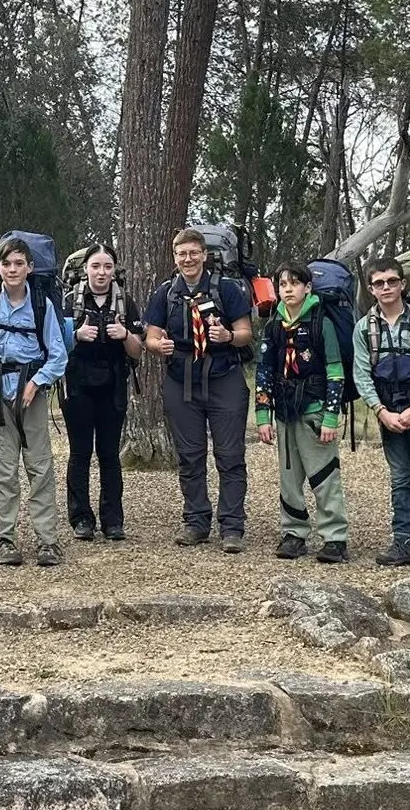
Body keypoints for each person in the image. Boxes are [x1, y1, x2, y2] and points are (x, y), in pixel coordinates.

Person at [143, 227, 255, 553]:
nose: (188, 259)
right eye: (182, 254)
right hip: (181, 380)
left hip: (224, 376)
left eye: (194, 253)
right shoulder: (165, 293)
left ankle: (232, 526)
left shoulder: (228, 289)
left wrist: (228, 337)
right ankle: (196, 521)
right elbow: (151, 335)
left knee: (230, 455)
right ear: (174, 258)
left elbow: (246, 332)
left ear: (204, 255)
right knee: (190, 456)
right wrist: (157, 345)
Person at [0, 237, 70, 566]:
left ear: (30, 267)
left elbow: (58, 355)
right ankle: (3, 539)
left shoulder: (43, 305)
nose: (13, 269)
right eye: (7, 264)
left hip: (32, 395)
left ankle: (48, 541)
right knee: (3, 468)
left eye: (19, 264)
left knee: (40, 467)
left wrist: (38, 382)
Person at [351, 257, 410, 570]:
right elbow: (362, 373)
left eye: (392, 281)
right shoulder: (365, 328)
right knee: (400, 477)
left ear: (402, 284)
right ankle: (403, 540)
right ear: (371, 288)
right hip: (387, 406)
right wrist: (381, 411)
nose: (386, 288)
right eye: (379, 283)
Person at [255, 262, 350, 563]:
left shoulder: (322, 322)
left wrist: (331, 416)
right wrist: (262, 415)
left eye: (295, 284)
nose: (288, 289)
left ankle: (335, 537)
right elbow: (264, 370)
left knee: (324, 474)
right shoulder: (274, 325)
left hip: (315, 411)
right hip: (284, 411)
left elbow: (336, 372)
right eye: (283, 285)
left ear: (308, 287)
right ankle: (293, 532)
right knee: (288, 476)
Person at [61, 245, 144, 541]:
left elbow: (138, 350)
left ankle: (113, 520)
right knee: (80, 452)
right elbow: (54, 344)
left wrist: (125, 336)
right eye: (96, 266)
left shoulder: (125, 302)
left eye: (107, 266)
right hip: (78, 386)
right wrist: (76, 335)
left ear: (115, 270)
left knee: (109, 453)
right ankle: (81, 518)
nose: (101, 273)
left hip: (113, 386)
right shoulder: (70, 302)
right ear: (85, 268)